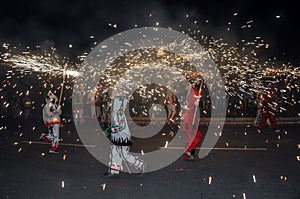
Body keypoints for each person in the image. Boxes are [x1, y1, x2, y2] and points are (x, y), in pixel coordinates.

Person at [103, 96, 145, 177]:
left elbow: (120, 126)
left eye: (114, 103)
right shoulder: (116, 113)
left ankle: (140, 164)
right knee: (114, 153)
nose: (112, 105)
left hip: (123, 138)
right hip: (117, 137)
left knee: (123, 155)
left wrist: (109, 130)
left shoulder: (119, 114)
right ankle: (114, 170)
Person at [181, 80, 203, 160]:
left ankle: (189, 153)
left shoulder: (194, 91)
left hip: (192, 115)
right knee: (195, 135)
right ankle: (189, 151)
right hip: (190, 116)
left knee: (193, 135)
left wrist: (197, 102)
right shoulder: (190, 91)